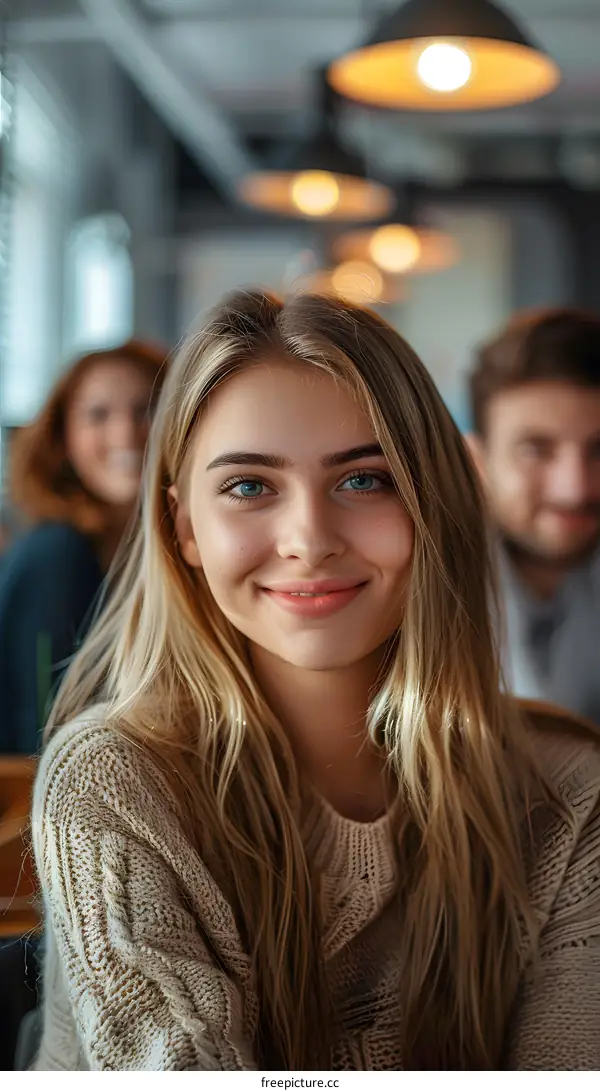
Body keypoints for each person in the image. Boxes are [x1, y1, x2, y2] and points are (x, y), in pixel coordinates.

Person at [31, 291, 600, 1071]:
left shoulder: (569, 792)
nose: (308, 540)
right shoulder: (113, 779)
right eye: (249, 486)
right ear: (183, 528)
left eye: (364, 480)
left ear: (433, 500)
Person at [0, 340, 167, 754]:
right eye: (98, 414)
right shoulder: (56, 556)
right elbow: (41, 733)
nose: (126, 432)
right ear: (63, 440)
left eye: (145, 410)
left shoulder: (159, 553)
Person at [466, 308, 600, 724]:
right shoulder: (416, 596)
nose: (574, 489)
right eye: (536, 450)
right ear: (478, 461)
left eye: (599, 451)